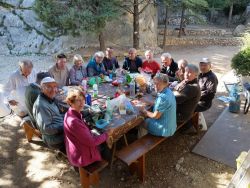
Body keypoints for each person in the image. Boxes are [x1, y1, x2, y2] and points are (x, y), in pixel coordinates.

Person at [64, 88, 113, 167]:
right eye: (78, 100)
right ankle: (107, 165)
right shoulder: (73, 122)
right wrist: (107, 134)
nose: (82, 103)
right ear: (70, 102)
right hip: (81, 157)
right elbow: (92, 142)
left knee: (99, 134)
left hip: (76, 150)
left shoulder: (70, 113)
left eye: (83, 100)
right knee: (105, 143)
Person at [139, 73, 176, 137]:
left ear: (165, 84)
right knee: (147, 118)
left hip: (164, 129)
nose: (156, 86)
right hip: (171, 126)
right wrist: (148, 101)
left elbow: (155, 116)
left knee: (142, 122)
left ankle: (142, 142)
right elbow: (162, 105)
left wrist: (144, 111)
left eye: (159, 84)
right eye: (155, 83)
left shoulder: (163, 98)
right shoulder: (168, 91)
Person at [33, 77, 64, 150]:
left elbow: (57, 116)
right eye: (49, 87)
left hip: (59, 129)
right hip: (55, 139)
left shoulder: (48, 98)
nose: (53, 90)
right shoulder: (41, 105)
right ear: (42, 89)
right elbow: (46, 129)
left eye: (55, 87)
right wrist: (65, 126)